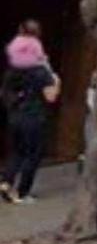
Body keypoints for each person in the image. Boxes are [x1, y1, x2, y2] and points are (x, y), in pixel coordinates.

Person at [0, 51, 59, 204]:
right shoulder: (41, 72)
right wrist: (56, 80)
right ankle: (22, 192)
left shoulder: (12, 72)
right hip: (34, 118)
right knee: (32, 155)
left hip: (15, 118)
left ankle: (6, 182)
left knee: (17, 152)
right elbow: (51, 96)